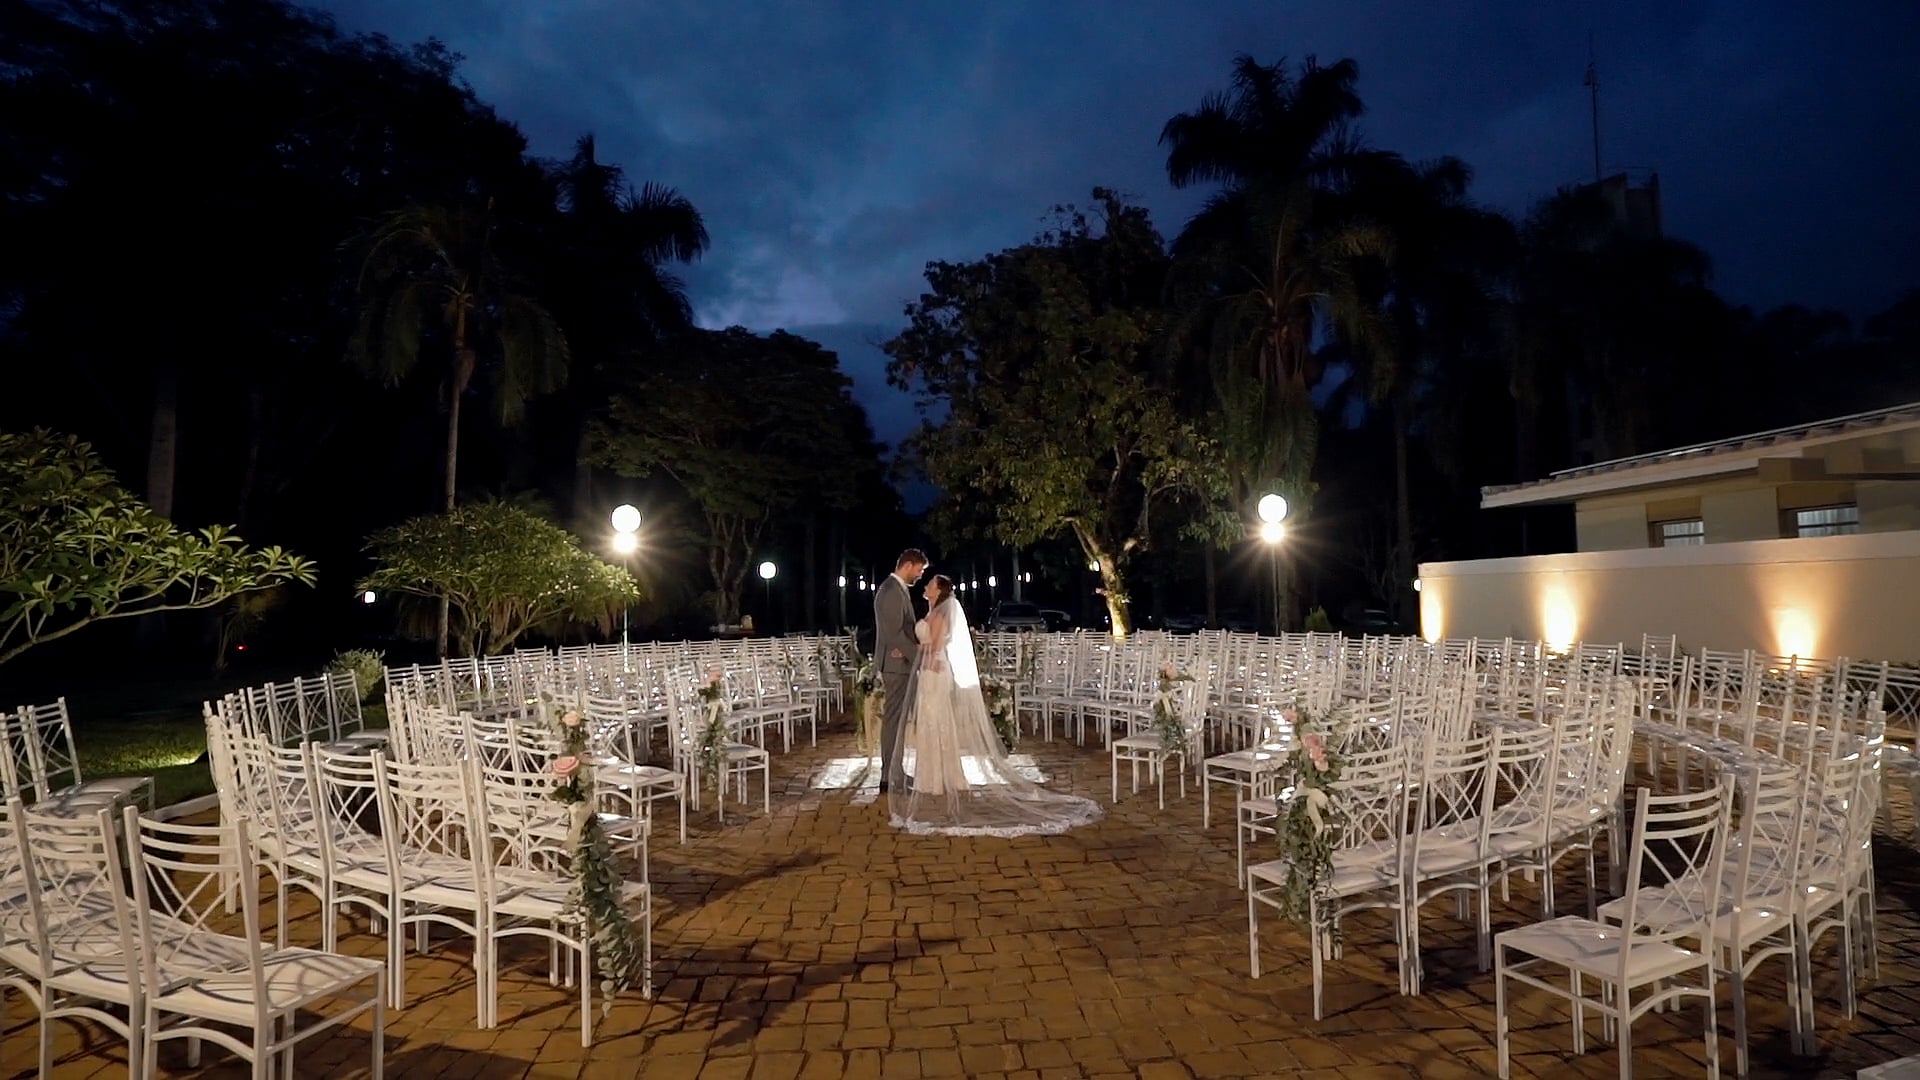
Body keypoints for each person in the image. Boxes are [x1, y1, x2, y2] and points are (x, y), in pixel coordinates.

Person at [888, 574, 1103, 837]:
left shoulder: (941, 615)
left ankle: (943, 775)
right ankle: (932, 773)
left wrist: (919, 655)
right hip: (929, 671)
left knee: (937, 719)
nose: (926, 585)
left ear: (939, 590)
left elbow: (935, 644)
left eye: (931, 583)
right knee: (930, 720)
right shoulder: (931, 611)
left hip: (935, 671)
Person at [872, 548, 928, 793]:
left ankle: (895, 771)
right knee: (894, 720)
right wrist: (918, 656)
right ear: (908, 565)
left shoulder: (898, 590)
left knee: (897, 721)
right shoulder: (891, 591)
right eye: (919, 569)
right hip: (896, 666)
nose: (920, 575)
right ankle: (889, 776)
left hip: (901, 662)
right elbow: (894, 633)